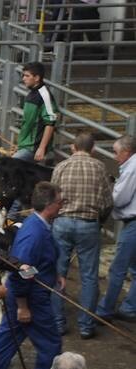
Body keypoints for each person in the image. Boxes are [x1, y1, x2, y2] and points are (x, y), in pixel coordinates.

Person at [0, 182, 64, 369]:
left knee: (6, 342)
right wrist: (22, 306)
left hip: (29, 295)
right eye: (59, 201)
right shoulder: (34, 233)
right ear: (49, 205)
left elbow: (36, 262)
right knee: (50, 346)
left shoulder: (37, 225)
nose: (62, 205)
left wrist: (54, 274)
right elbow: (19, 270)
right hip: (31, 299)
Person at [50, 131, 110, 338]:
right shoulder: (100, 168)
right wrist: (99, 219)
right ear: (93, 149)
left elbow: (52, 198)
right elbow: (107, 202)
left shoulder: (61, 167)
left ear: (72, 148)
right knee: (89, 276)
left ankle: (57, 322)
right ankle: (86, 325)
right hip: (88, 224)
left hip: (63, 222)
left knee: (58, 272)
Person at [100, 134, 136, 322]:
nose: (114, 157)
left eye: (116, 153)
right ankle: (130, 307)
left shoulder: (131, 168)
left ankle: (105, 309)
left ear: (126, 152)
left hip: (133, 224)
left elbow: (120, 198)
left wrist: (109, 193)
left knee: (118, 269)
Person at [15, 62, 58, 162]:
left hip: (34, 147)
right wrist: (20, 145)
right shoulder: (32, 93)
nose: (23, 78)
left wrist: (41, 148)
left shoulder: (44, 95)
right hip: (26, 145)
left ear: (37, 78)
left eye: (27, 76)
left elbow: (50, 122)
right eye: (23, 75)